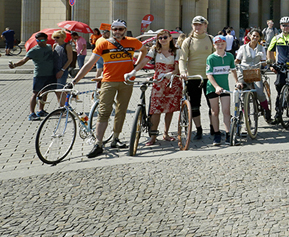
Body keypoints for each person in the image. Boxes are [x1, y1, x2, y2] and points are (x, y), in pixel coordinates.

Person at [69, 19, 145, 157]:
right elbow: (90, 63)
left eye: (120, 29)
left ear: (125, 30)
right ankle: (98, 144)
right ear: (111, 30)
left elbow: (145, 51)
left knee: (121, 111)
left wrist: (135, 68)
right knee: (104, 112)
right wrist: (75, 80)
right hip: (108, 81)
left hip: (127, 81)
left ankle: (116, 138)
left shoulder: (133, 42)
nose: (117, 32)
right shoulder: (103, 43)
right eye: (114, 29)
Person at [130, 29, 181, 144]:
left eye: (165, 37)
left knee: (169, 109)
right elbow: (144, 61)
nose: (163, 39)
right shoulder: (155, 50)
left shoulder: (176, 51)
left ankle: (166, 133)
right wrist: (134, 71)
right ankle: (153, 135)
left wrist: (170, 74)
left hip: (172, 81)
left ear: (170, 38)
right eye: (160, 38)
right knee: (155, 109)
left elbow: (177, 68)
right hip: (158, 82)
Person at [178, 16, 215, 140]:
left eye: (200, 24)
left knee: (212, 104)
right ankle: (198, 129)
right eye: (195, 25)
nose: (197, 27)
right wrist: (183, 72)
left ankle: (213, 127)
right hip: (193, 77)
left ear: (205, 26)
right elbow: (182, 59)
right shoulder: (187, 41)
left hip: (209, 77)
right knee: (194, 105)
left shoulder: (210, 39)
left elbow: (216, 56)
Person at [8, 32, 55, 120]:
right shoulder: (34, 50)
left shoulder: (49, 47)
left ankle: (41, 110)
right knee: (35, 93)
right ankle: (31, 113)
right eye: (38, 40)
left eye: (42, 40)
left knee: (45, 92)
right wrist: (15, 65)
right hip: (39, 75)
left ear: (46, 39)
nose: (40, 42)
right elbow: (24, 60)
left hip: (50, 74)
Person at [206, 35, 238, 144]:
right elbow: (209, 75)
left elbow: (233, 70)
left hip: (225, 88)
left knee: (226, 111)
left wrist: (237, 82)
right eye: (218, 44)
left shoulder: (229, 56)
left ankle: (228, 134)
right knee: (215, 112)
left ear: (225, 45)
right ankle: (217, 134)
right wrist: (216, 87)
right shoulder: (211, 58)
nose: (220, 46)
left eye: (222, 44)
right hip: (212, 88)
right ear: (214, 45)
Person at [268, 16, 289, 113]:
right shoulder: (276, 38)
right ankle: (278, 113)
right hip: (281, 66)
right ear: (280, 26)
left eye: (287, 26)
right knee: (279, 88)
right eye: (283, 25)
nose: (285, 27)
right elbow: (270, 50)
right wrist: (271, 64)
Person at [236, 27, 272, 122]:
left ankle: (266, 110)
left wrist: (266, 63)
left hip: (255, 73)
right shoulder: (242, 48)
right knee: (243, 95)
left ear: (259, 38)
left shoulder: (262, 48)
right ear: (250, 36)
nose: (255, 38)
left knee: (260, 92)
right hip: (244, 73)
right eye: (253, 36)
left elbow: (264, 61)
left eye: (257, 36)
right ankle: (246, 119)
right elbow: (238, 60)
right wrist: (234, 62)